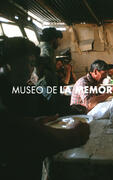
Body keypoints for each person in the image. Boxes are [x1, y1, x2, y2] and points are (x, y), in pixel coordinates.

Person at [0, 37, 90, 179]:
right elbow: (17, 133)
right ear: (8, 64)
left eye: (33, 64)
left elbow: (45, 109)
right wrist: (76, 135)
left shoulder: (22, 88)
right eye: (29, 63)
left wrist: (36, 121)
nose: (32, 69)